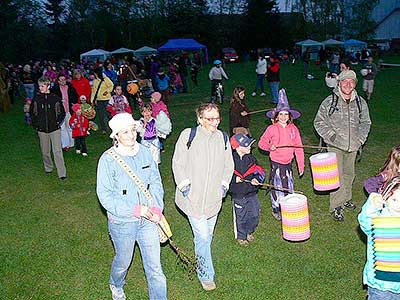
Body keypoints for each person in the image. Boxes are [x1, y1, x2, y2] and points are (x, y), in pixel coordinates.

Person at [96, 113, 167, 300]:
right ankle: (116, 283)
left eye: (133, 130)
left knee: (155, 267)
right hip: (122, 222)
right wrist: (135, 210)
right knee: (123, 262)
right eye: (125, 132)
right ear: (116, 136)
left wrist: (157, 208)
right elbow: (105, 196)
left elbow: (156, 181)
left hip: (148, 219)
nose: (130, 135)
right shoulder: (107, 160)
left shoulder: (144, 151)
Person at [172, 103, 234, 291]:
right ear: (200, 119)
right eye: (210, 119)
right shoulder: (188, 135)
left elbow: (228, 165)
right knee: (203, 237)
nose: (215, 122)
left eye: (217, 118)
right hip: (192, 199)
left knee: (206, 236)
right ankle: (206, 275)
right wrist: (185, 187)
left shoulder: (223, 138)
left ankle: (202, 256)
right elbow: (178, 163)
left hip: (214, 199)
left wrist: (223, 186)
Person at [314, 70, 371, 221]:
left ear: (355, 84)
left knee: (349, 174)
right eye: (344, 81)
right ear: (339, 83)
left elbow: (366, 123)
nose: (347, 84)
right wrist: (332, 137)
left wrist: (360, 140)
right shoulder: (330, 101)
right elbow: (319, 122)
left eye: (351, 81)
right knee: (336, 176)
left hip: (353, 146)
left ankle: (346, 199)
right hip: (334, 146)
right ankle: (336, 206)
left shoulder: (360, 102)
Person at [258, 89, 304, 220]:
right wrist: (269, 147)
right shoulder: (271, 129)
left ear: (290, 116)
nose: (283, 117)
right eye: (281, 114)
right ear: (276, 116)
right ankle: (276, 207)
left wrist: (301, 165)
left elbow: (299, 148)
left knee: (288, 186)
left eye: (286, 114)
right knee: (277, 186)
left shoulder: (294, 130)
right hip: (276, 164)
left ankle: (287, 207)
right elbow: (261, 143)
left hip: (288, 164)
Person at [358, 176, 400, 300]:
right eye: (394, 199)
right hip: (381, 286)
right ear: (386, 198)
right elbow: (365, 220)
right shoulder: (379, 221)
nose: (398, 205)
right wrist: (372, 203)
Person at [229, 133, 265, 246]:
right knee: (241, 216)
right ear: (238, 147)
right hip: (238, 194)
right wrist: (234, 179)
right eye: (247, 145)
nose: (250, 147)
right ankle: (241, 235)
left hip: (251, 193)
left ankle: (250, 231)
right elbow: (222, 176)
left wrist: (257, 179)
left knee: (254, 214)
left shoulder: (251, 159)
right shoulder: (229, 161)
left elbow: (259, 171)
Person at [29, 76, 67, 180]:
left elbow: (62, 113)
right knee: (45, 151)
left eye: (42, 86)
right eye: (39, 86)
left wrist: (57, 123)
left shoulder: (55, 98)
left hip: (54, 129)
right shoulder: (36, 99)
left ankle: (62, 173)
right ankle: (48, 167)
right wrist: (36, 124)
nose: (40, 88)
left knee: (57, 151)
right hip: (42, 130)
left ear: (48, 86)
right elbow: (32, 113)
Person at [51, 74, 78, 151]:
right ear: (58, 81)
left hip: (69, 110)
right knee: (62, 128)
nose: (63, 81)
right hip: (60, 112)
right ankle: (65, 144)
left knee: (70, 127)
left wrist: (73, 103)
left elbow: (75, 97)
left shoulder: (70, 88)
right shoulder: (55, 90)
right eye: (61, 80)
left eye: (64, 79)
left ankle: (72, 143)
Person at [91, 68, 114, 134]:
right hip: (99, 100)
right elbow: (93, 91)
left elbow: (111, 85)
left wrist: (107, 92)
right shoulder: (95, 81)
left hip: (107, 99)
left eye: (95, 73)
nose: (94, 74)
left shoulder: (105, 79)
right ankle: (104, 129)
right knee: (101, 115)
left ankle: (112, 127)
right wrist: (92, 100)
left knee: (109, 114)